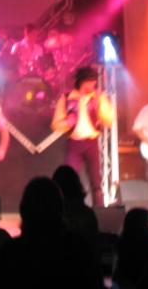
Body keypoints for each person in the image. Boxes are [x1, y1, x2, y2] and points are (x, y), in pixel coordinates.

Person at [51, 66, 114, 206]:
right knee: (69, 179)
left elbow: (109, 121)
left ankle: (99, 211)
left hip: (92, 143)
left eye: (94, 82)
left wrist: (100, 104)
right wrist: (67, 122)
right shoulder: (67, 98)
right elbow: (55, 124)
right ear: (82, 82)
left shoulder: (98, 97)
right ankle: (68, 209)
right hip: (74, 143)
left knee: (96, 180)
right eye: (90, 82)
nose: (92, 85)